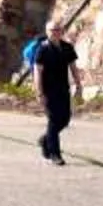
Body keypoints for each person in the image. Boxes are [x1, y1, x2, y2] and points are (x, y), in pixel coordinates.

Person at [27, 27, 81, 164]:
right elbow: (38, 72)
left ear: (62, 31)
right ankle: (55, 154)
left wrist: (78, 85)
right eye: (52, 30)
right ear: (47, 31)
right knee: (53, 120)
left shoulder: (67, 47)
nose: (55, 32)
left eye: (57, 30)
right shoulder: (42, 49)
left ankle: (46, 140)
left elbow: (73, 67)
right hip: (48, 90)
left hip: (63, 88)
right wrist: (39, 92)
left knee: (65, 119)